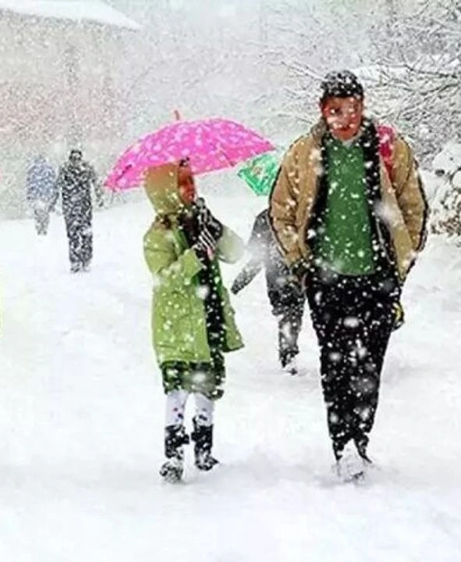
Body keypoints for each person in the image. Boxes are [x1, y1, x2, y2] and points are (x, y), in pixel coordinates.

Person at [269, 70, 428, 481]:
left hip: (377, 275)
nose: (346, 117)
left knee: (370, 363)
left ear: (363, 106)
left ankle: (361, 438)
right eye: (336, 110)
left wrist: (402, 258)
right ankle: (342, 443)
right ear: (323, 111)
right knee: (335, 362)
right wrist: (299, 258)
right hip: (325, 278)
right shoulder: (305, 152)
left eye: (353, 108)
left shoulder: (387, 148)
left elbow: (413, 202)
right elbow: (281, 210)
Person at [142, 160, 245, 483]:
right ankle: (173, 453)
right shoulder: (158, 235)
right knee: (177, 390)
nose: (190, 188)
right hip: (179, 326)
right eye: (182, 183)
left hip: (209, 317)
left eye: (191, 181)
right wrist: (194, 257)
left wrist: (215, 229)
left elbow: (235, 251)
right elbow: (164, 278)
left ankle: (204, 448)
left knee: (207, 387)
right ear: (166, 192)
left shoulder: (200, 222)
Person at [231, 209, 305, 375]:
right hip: (294, 275)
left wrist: (241, 281)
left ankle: (288, 351)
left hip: (279, 278)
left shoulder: (265, 218)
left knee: (287, 313)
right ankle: (288, 350)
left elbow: (257, 257)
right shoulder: (299, 214)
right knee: (292, 313)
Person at [56, 149, 100, 272]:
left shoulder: (65, 168)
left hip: (73, 206)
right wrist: (99, 196)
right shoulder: (86, 168)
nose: (75, 161)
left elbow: (57, 186)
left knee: (75, 234)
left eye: (77, 158)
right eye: (74, 158)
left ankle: (78, 260)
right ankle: (83, 260)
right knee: (82, 233)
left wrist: (54, 202)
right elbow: (96, 183)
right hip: (82, 206)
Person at [26, 155, 57, 235]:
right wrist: (52, 194)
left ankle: (39, 226)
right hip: (46, 195)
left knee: (37, 212)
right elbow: (52, 182)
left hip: (36, 195)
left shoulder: (32, 169)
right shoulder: (49, 169)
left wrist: (30, 195)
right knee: (45, 212)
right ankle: (44, 226)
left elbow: (29, 183)